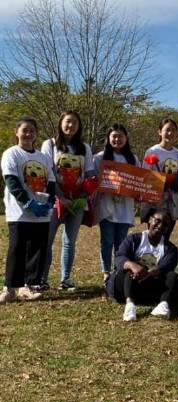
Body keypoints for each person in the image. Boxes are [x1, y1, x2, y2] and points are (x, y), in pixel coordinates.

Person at [1, 117, 55, 303]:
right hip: (19, 212)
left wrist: (49, 203)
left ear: (36, 134)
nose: (28, 134)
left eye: (32, 130)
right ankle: (9, 289)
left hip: (41, 214)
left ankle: (28, 286)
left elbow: (52, 182)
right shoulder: (11, 154)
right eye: (24, 130)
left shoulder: (43, 157)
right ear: (17, 132)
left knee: (36, 249)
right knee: (17, 248)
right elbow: (12, 181)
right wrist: (27, 203)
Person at [41, 110, 96, 291]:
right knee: (46, 240)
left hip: (77, 201)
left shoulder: (85, 148)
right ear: (60, 123)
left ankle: (65, 279)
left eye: (74, 122)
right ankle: (42, 279)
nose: (70, 126)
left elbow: (89, 173)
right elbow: (47, 174)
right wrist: (59, 197)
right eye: (67, 122)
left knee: (69, 241)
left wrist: (84, 194)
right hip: (54, 200)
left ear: (79, 126)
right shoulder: (49, 145)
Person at [105, 210, 178, 321]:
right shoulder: (133, 239)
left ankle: (163, 304)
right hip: (128, 284)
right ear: (150, 220)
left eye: (165, 224)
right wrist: (132, 265)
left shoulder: (170, 249)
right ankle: (130, 305)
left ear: (168, 228)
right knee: (128, 271)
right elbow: (119, 257)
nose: (160, 226)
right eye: (157, 221)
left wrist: (147, 273)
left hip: (150, 285)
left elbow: (166, 266)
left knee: (173, 276)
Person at [93, 124, 140, 284]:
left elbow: (140, 182)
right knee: (106, 241)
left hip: (125, 208)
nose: (117, 139)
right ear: (108, 138)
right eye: (114, 136)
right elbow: (93, 180)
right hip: (106, 206)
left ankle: (118, 270)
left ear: (126, 138)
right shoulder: (99, 158)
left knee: (121, 243)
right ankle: (106, 271)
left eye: (120, 136)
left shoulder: (133, 159)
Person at [141, 118, 178, 240]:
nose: (170, 133)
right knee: (154, 232)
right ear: (160, 132)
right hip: (155, 199)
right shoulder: (152, 151)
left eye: (173, 130)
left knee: (167, 232)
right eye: (167, 130)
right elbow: (146, 174)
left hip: (171, 200)